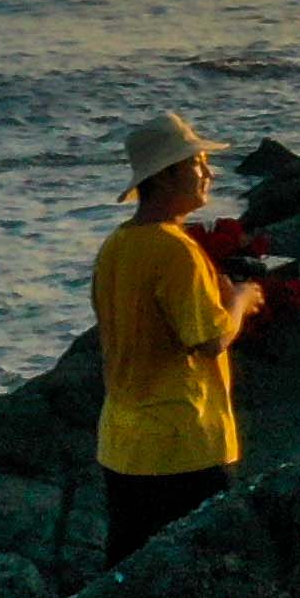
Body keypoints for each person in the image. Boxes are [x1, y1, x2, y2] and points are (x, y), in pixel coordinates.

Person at [94, 113, 263, 564]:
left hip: (121, 443)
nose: (208, 172)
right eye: (198, 163)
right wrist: (241, 300)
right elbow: (208, 339)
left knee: (126, 573)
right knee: (207, 570)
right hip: (182, 445)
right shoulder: (175, 250)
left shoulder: (116, 246)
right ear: (167, 176)